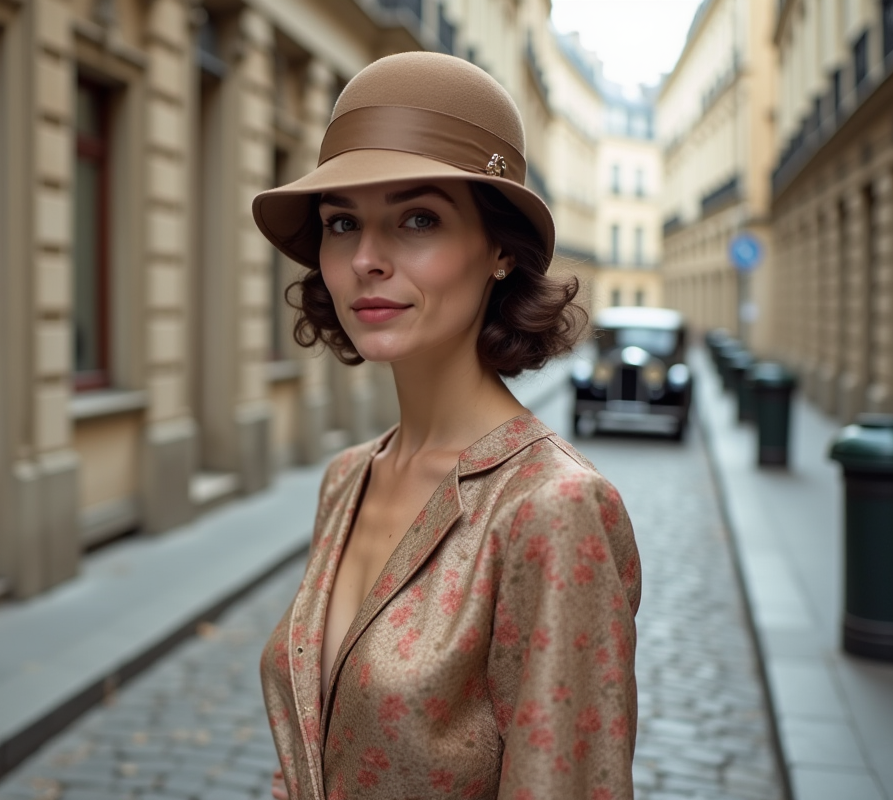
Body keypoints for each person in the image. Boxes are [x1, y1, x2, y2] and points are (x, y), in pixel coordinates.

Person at [253, 51, 641, 800]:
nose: (366, 258)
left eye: (418, 219)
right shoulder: (349, 479)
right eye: (341, 223)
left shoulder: (550, 509)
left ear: (498, 250)